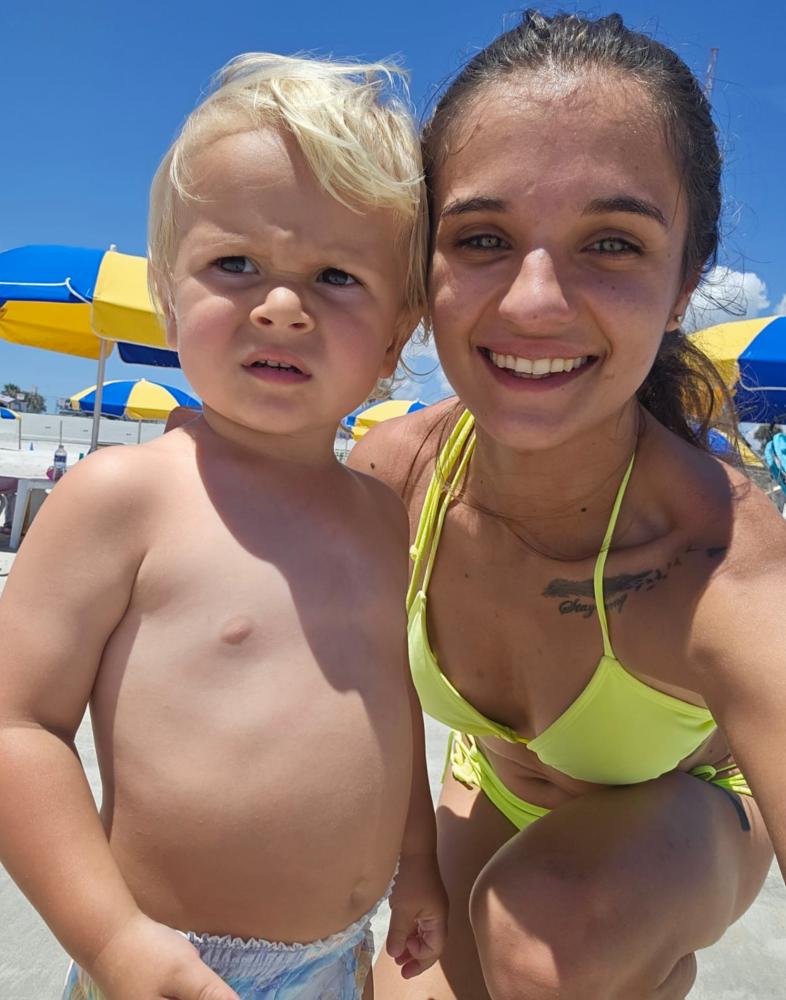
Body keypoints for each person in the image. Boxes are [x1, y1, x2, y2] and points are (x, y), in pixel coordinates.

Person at [351, 12, 786, 1000]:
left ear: (685, 283)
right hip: (493, 784)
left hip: (698, 812)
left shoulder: (720, 560)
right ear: (427, 263)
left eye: (612, 242)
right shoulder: (398, 477)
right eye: (484, 238)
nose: (534, 302)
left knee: (549, 937)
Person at [0, 53, 446, 1000]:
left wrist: (419, 862)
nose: (281, 308)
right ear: (170, 296)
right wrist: (112, 941)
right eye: (235, 264)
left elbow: (390, 710)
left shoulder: (381, 515)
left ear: (397, 337)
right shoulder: (124, 497)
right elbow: (17, 726)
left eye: (335, 275)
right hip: (163, 960)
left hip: (342, 959)